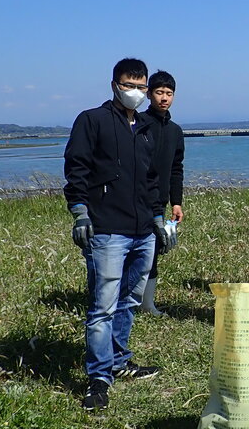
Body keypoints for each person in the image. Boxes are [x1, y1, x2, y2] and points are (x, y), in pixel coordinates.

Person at [63, 58, 167, 411]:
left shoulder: (146, 127)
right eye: (129, 85)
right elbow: (76, 167)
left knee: (130, 301)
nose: (136, 93)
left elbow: (151, 178)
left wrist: (158, 217)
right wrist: (79, 212)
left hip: (143, 232)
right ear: (114, 85)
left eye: (141, 86)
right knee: (102, 307)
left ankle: (121, 362)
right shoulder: (92, 120)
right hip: (107, 230)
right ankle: (98, 377)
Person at [139, 70, 185, 315]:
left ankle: (148, 304)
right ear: (148, 94)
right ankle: (129, 300)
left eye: (169, 93)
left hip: (161, 201)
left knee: (154, 249)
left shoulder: (176, 131)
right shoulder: (138, 124)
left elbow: (176, 168)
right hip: (135, 197)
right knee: (133, 249)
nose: (164, 98)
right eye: (158, 92)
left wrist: (176, 202)